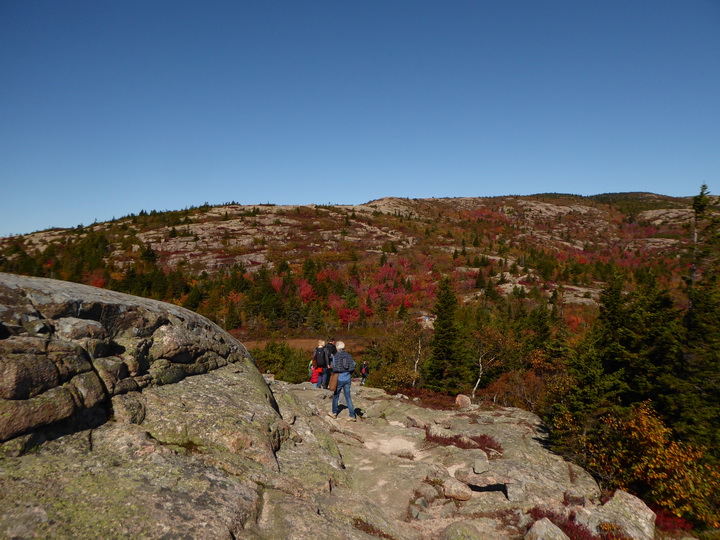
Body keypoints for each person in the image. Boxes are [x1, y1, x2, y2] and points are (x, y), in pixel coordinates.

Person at [328, 341, 357, 421]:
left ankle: (334, 413)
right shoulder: (349, 355)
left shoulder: (336, 356)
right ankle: (352, 415)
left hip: (339, 378)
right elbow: (354, 364)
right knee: (348, 396)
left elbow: (334, 366)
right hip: (347, 378)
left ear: (337, 348)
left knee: (336, 395)